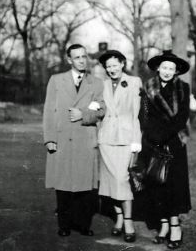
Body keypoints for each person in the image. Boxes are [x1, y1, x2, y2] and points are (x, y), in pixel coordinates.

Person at [43, 44, 105, 237]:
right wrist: (50, 138)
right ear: (69, 60)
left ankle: (82, 224)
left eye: (84, 57)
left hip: (85, 140)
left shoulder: (96, 83)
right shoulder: (56, 80)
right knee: (63, 185)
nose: (81, 60)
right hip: (62, 139)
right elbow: (49, 111)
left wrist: (84, 115)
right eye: (76, 57)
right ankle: (64, 225)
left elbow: (101, 110)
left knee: (84, 186)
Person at [139, 50, 191, 249]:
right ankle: (163, 226)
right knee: (156, 183)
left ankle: (175, 226)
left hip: (174, 141)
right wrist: (153, 136)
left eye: (171, 68)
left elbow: (182, 117)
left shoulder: (183, 88)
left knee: (174, 186)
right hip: (152, 142)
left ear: (176, 70)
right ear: (158, 68)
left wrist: (164, 136)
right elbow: (144, 115)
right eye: (164, 67)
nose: (167, 71)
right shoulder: (148, 88)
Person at [98, 50, 142, 243]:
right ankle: (118, 219)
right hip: (106, 138)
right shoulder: (103, 84)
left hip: (125, 137)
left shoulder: (134, 82)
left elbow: (137, 114)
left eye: (115, 65)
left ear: (122, 64)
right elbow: (99, 108)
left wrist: (136, 141)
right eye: (108, 66)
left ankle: (129, 222)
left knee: (121, 179)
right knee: (110, 182)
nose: (112, 69)